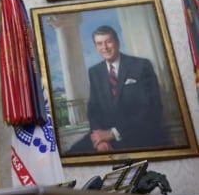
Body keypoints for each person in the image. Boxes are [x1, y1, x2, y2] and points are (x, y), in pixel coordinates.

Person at [67, 25, 168, 154]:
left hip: (137, 134)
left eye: (108, 42)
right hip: (105, 136)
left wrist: (113, 133)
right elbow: (93, 110)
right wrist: (101, 139)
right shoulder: (94, 72)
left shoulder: (141, 66)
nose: (104, 48)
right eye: (99, 44)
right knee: (72, 153)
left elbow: (151, 108)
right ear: (96, 47)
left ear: (117, 42)